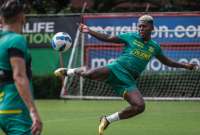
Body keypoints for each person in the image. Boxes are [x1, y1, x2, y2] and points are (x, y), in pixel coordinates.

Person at [54, 15, 197, 135]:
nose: (141, 28)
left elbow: (167, 62)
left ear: (152, 28)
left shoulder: (155, 47)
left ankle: (107, 119)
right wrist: (89, 30)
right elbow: (108, 37)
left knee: (140, 106)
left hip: (128, 81)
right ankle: (69, 71)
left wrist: (185, 65)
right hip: (116, 68)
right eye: (139, 26)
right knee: (89, 74)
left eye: (144, 26)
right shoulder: (130, 37)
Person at [0, 0, 42, 135]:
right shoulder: (16, 40)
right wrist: (33, 112)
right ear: (22, 17)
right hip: (16, 109)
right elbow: (18, 76)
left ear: (2, 18)